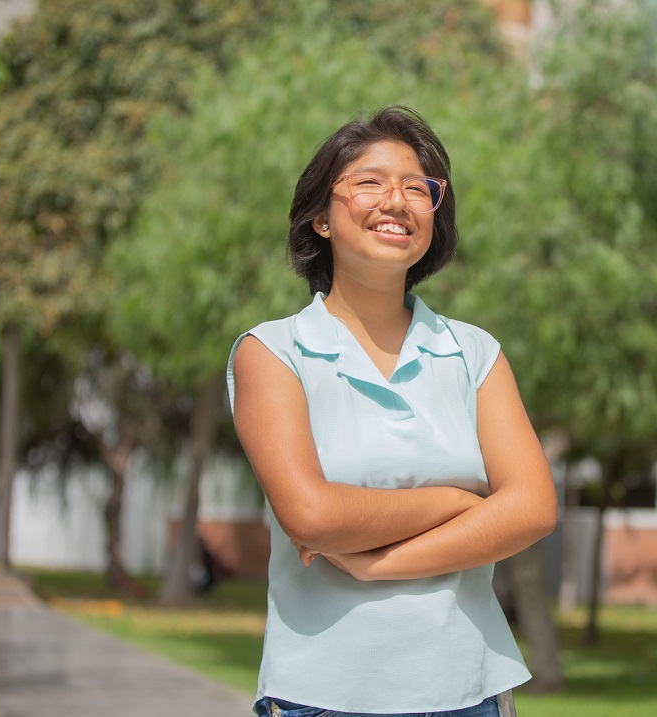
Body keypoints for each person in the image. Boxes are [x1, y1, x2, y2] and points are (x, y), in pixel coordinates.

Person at [227, 105, 557, 717]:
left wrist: (377, 565)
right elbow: (311, 514)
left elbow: (532, 508)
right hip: (321, 696)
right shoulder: (272, 353)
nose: (397, 200)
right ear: (321, 217)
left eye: (417, 187)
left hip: (469, 692)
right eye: (370, 182)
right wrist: (459, 504)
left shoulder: (473, 353)